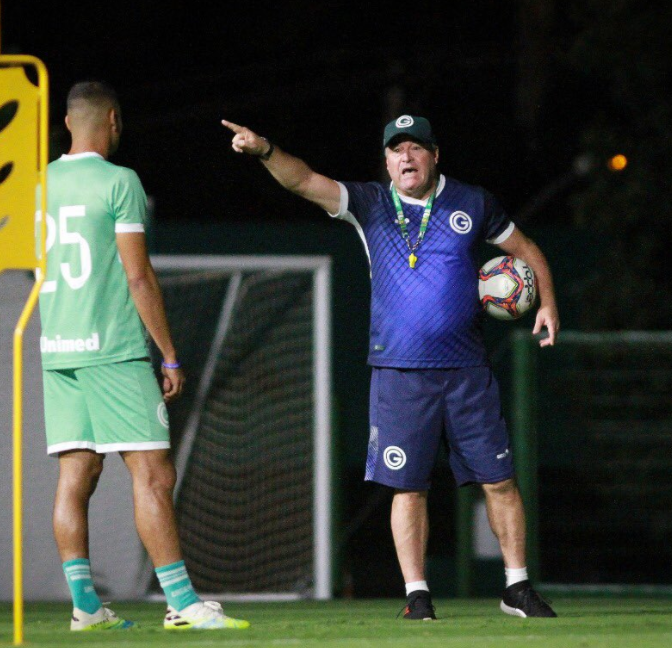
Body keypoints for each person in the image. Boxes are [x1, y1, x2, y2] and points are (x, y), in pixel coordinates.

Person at [223, 114, 559, 619]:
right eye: (397, 150)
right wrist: (266, 149)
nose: (407, 158)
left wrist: (549, 303)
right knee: (409, 486)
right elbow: (303, 180)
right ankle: (417, 594)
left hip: (467, 370)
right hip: (400, 372)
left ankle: (516, 587)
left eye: (416, 148)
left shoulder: (473, 201)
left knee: (501, 480)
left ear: (435, 154)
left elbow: (526, 249)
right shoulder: (370, 204)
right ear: (385, 160)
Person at [38, 81, 248, 632]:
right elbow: (137, 274)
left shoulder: (38, 184)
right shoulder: (119, 181)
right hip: (112, 348)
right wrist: (170, 354)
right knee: (153, 473)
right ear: (112, 120)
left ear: (66, 123)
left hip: (58, 348)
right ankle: (183, 603)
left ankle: (86, 607)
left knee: (75, 475)